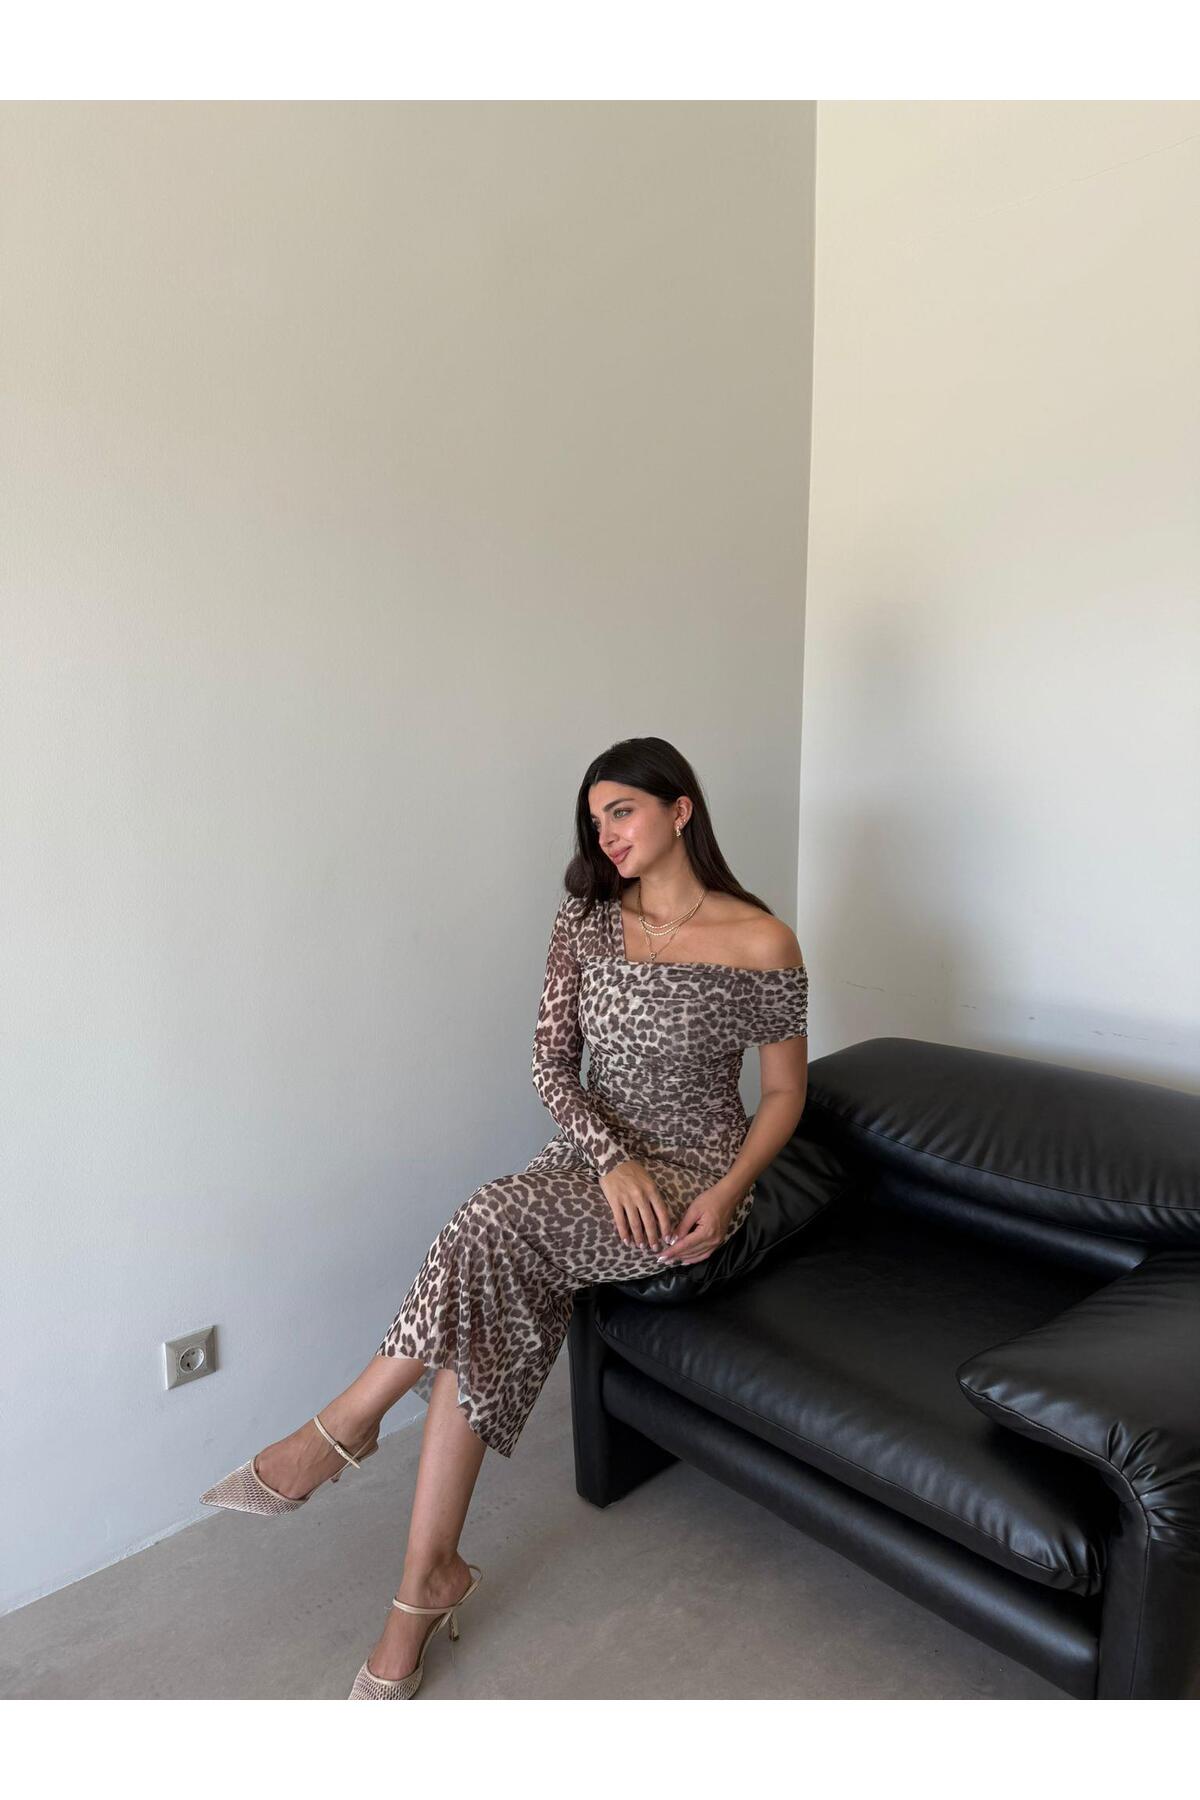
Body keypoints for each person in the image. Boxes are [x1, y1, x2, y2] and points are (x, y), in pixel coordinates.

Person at [201, 735, 809, 1699]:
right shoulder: (585, 919)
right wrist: (609, 1156)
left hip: (692, 1180)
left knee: (489, 1223)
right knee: (492, 1271)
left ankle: (347, 1436)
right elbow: (549, 1064)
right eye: (595, 819)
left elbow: (782, 1094)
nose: (606, 834)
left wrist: (727, 1191)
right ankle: (421, 1578)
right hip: (591, 1163)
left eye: (623, 810)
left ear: (680, 808)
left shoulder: (762, 940)